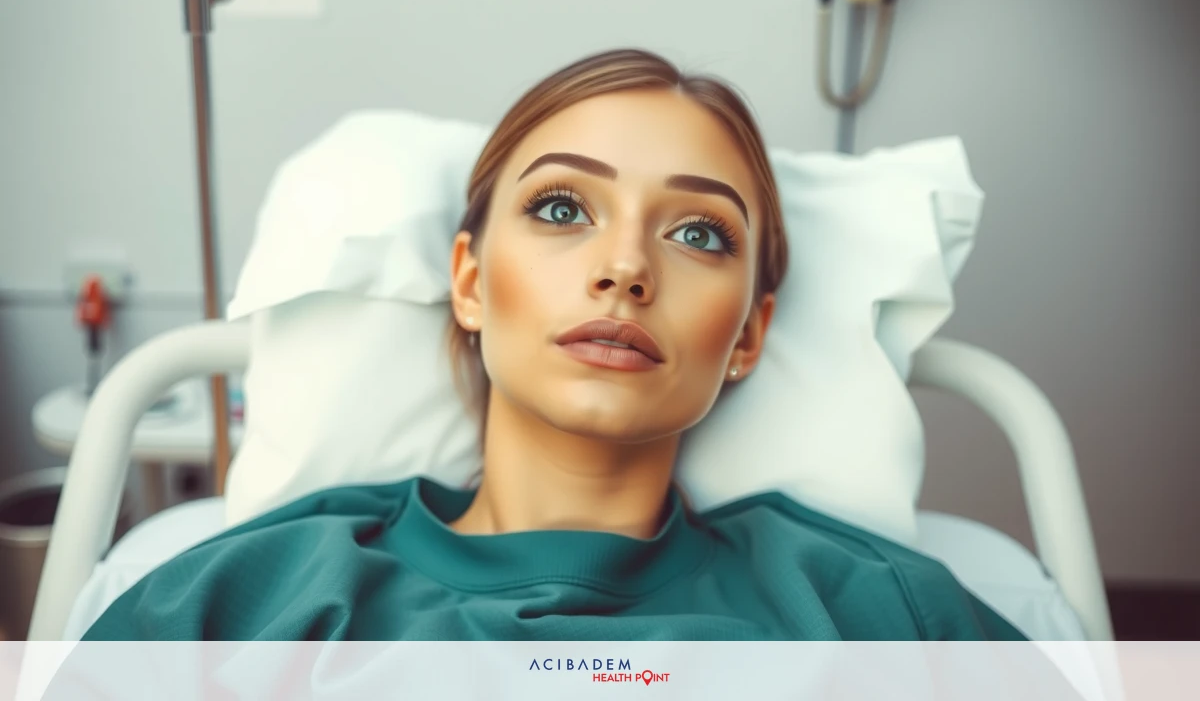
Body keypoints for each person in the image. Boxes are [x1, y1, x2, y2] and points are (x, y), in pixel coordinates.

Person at [81, 49, 1025, 641]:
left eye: (698, 233)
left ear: (749, 337)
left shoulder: (876, 615)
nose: (625, 268)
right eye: (563, 208)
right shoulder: (237, 607)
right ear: (470, 282)